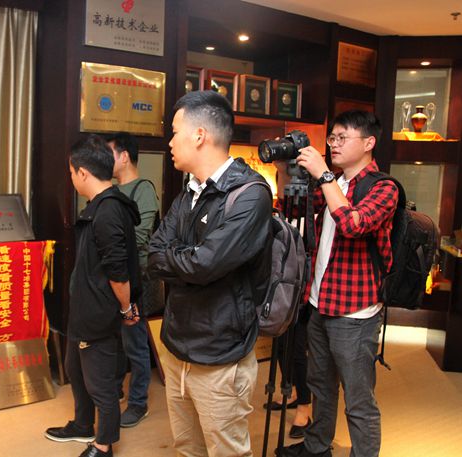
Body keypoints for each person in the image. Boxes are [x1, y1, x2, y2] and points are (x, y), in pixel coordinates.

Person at [147, 90, 272, 457]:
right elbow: (153, 255)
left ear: (199, 135)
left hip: (220, 355)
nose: (170, 142)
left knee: (226, 452)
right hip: (176, 346)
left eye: (174, 132)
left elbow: (204, 265)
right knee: (187, 448)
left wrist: (184, 259)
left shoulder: (250, 195)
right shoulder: (189, 192)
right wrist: (190, 259)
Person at [276, 110, 398, 457]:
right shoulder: (336, 183)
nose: (334, 145)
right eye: (332, 138)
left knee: (358, 399)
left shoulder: (384, 188)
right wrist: (288, 168)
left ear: (369, 143)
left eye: (343, 138)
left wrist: (324, 175)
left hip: (355, 313)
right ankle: (317, 447)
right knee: (320, 386)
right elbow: (292, 209)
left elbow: (352, 224)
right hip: (320, 303)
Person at [45, 134, 141, 457]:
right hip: (84, 308)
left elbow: (118, 271)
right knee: (75, 368)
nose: (71, 178)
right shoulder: (99, 205)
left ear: (83, 173)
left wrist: (126, 309)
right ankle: (82, 424)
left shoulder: (109, 210)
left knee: (101, 383)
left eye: (72, 172)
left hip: (98, 312)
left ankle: (104, 445)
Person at [107, 132, 159, 428]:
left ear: (124, 156)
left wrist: (111, 248)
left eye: (110, 154)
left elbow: (140, 238)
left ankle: (139, 402)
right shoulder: (112, 190)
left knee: (135, 342)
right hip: (114, 277)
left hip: (135, 278)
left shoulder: (143, 189)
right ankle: (115, 389)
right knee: (115, 339)